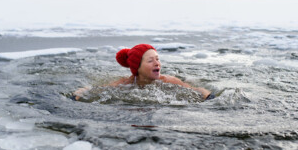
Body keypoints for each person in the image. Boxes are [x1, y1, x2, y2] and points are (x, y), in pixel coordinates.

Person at [73, 44, 215, 101]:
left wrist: (208, 96)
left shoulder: (168, 81)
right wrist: (81, 93)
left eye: (158, 59)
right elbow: (100, 90)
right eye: (150, 61)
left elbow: (195, 90)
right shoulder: (126, 83)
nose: (157, 63)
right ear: (137, 68)